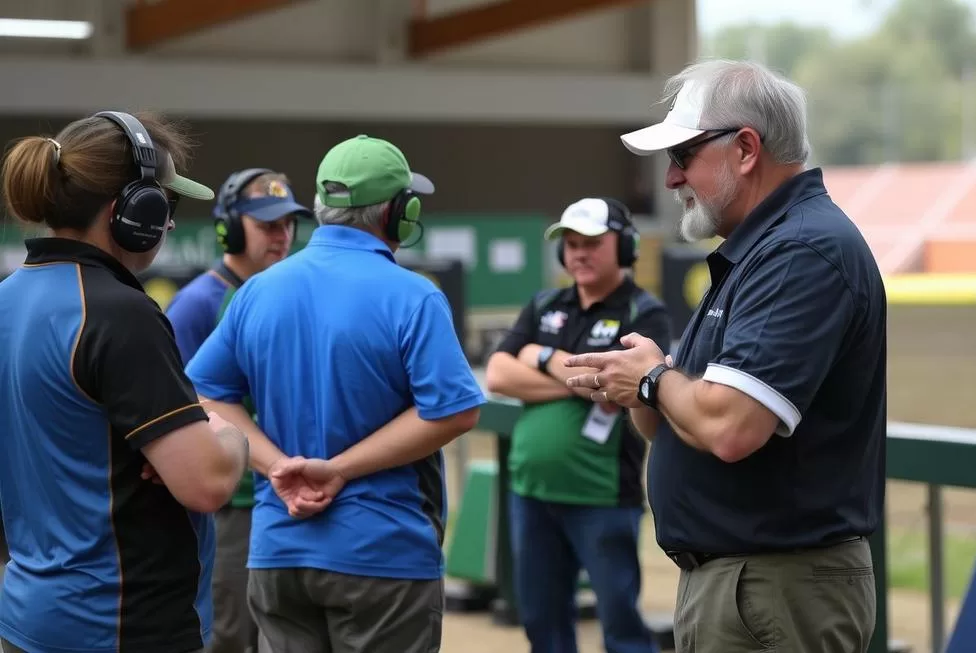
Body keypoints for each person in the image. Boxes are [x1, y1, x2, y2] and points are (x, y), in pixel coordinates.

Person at [563, 59, 886, 653]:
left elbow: (731, 427)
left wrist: (655, 377)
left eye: (683, 155)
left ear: (745, 149)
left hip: (774, 588)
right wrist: (639, 383)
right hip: (748, 584)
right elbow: (684, 419)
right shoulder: (766, 246)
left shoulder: (801, 250)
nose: (670, 179)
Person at [184, 134, 485, 653]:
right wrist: (339, 469)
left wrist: (279, 466)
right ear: (399, 214)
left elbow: (206, 393)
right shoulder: (413, 295)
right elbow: (454, 412)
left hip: (278, 552)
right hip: (384, 555)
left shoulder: (257, 290)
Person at [0, 111, 250, 653]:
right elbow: (206, 483)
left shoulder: (8, 300)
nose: (171, 224)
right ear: (134, 210)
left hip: (28, 617)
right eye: (168, 204)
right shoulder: (119, 313)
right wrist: (229, 436)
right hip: (121, 626)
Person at [486, 197, 670, 653]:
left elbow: (619, 386)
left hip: (602, 496)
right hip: (532, 492)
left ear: (625, 247)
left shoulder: (644, 314)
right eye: (570, 244)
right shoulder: (545, 302)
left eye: (591, 243)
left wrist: (540, 356)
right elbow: (497, 374)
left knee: (621, 627)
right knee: (541, 623)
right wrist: (576, 380)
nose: (578, 253)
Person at [165, 168, 313, 653]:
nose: (282, 234)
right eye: (267, 224)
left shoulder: (284, 294)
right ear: (229, 227)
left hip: (283, 494)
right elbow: (178, 413)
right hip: (233, 506)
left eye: (288, 223)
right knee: (229, 635)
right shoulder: (197, 306)